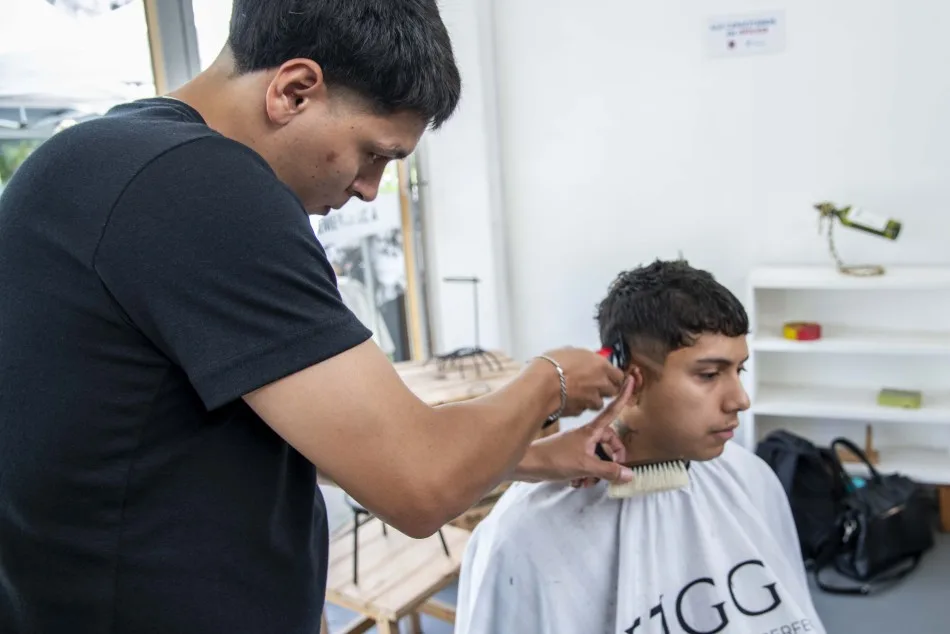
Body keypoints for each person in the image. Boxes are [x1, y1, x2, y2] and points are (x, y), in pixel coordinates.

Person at [0, 2, 635, 633]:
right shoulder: (198, 185)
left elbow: (315, 435)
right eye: (374, 153)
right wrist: (550, 380)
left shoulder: (108, 158)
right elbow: (419, 484)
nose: (369, 188)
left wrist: (536, 457)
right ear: (295, 90)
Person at [455, 259, 828, 634]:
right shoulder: (521, 536)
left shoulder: (750, 478)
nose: (740, 399)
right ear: (631, 382)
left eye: (739, 369)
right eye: (709, 374)